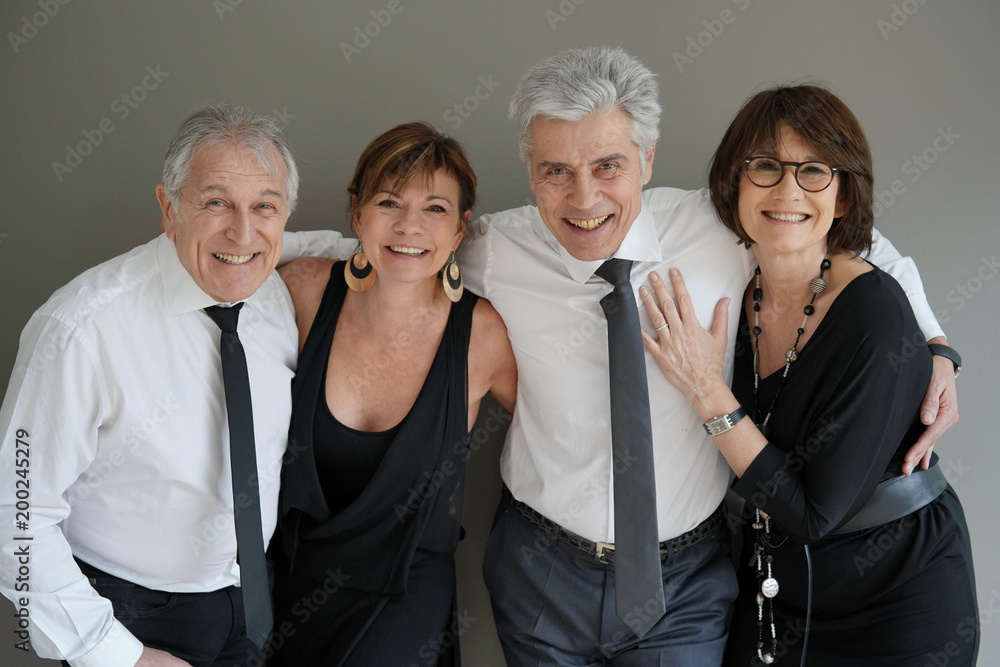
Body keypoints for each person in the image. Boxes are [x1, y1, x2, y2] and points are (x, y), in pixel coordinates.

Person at [0, 104, 355, 667]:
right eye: (215, 203)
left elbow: (325, 245)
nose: (242, 231)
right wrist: (117, 654)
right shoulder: (81, 329)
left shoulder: (266, 279)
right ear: (169, 209)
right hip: (130, 616)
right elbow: (14, 515)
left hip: (255, 603)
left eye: (265, 206)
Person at [640, 85, 977, 665]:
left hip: (898, 594)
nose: (787, 190)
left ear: (843, 196)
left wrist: (705, 389)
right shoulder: (731, 282)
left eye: (814, 171)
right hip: (776, 583)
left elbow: (812, 513)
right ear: (733, 185)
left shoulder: (873, 311)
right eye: (765, 166)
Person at [267, 122, 516, 666]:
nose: (409, 227)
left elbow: (561, 444)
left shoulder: (482, 335)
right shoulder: (305, 292)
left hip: (406, 601)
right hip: (288, 588)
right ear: (357, 213)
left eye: (435, 209)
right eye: (388, 202)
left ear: (459, 230)